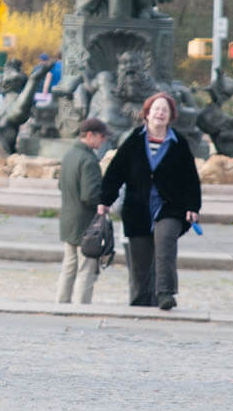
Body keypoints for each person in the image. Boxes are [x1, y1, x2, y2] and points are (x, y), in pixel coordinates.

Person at [97, 91, 201, 310]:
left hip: (169, 207)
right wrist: (105, 200)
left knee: (164, 246)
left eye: (165, 110)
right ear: (147, 114)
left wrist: (193, 206)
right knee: (140, 260)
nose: (160, 114)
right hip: (138, 208)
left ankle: (165, 293)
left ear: (171, 115)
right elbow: (115, 173)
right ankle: (141, 300)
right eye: (156, 109)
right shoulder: (134, 140)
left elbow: (190, 178)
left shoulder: (178, 143)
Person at [56, 117, 109, 304]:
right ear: (90, 135)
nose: (103, 141)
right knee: (86, 268)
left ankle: (61, 304)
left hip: (68, 220)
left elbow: (61, 186)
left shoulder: (69, 155)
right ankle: (81, 307)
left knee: (69, 266)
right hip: (85, 224)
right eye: (101, 137)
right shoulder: (89, 160)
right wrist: (105, 202)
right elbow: (90, 195)